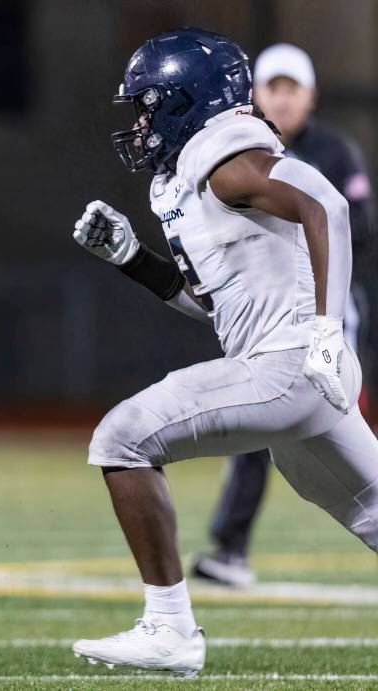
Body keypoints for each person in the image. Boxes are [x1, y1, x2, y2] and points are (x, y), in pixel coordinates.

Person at [70, 27, 378, 676]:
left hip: (292, 365)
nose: (143, 121)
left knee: (121, 437)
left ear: (189, 97)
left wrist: (325, 329)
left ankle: (170, 626)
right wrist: (131, 258)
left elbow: (329, 207)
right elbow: (212, 304)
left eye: (152, 103)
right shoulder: (194, 176)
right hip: (297, 377)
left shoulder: (225, 151)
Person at [192, 42, 376, 588]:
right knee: (259, 427)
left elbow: (357, 226)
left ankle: (230, 547)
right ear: (254, 95)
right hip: (266, 313)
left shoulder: (334, 152)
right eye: (273, 87)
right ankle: (230, 548)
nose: (282, 98)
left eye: (292, 89)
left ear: (311, 96)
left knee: (338, 428)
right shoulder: (240, 153)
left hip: (326, 311)